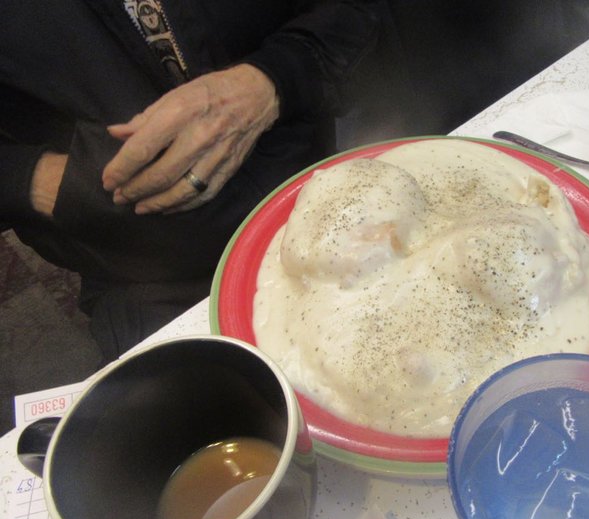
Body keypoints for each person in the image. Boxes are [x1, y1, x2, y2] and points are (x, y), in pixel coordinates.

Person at [0, 0, 380, 362]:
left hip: (318, 193)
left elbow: (350, 11)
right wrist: (41, 181)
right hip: (144, 271)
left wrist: (274, 79)